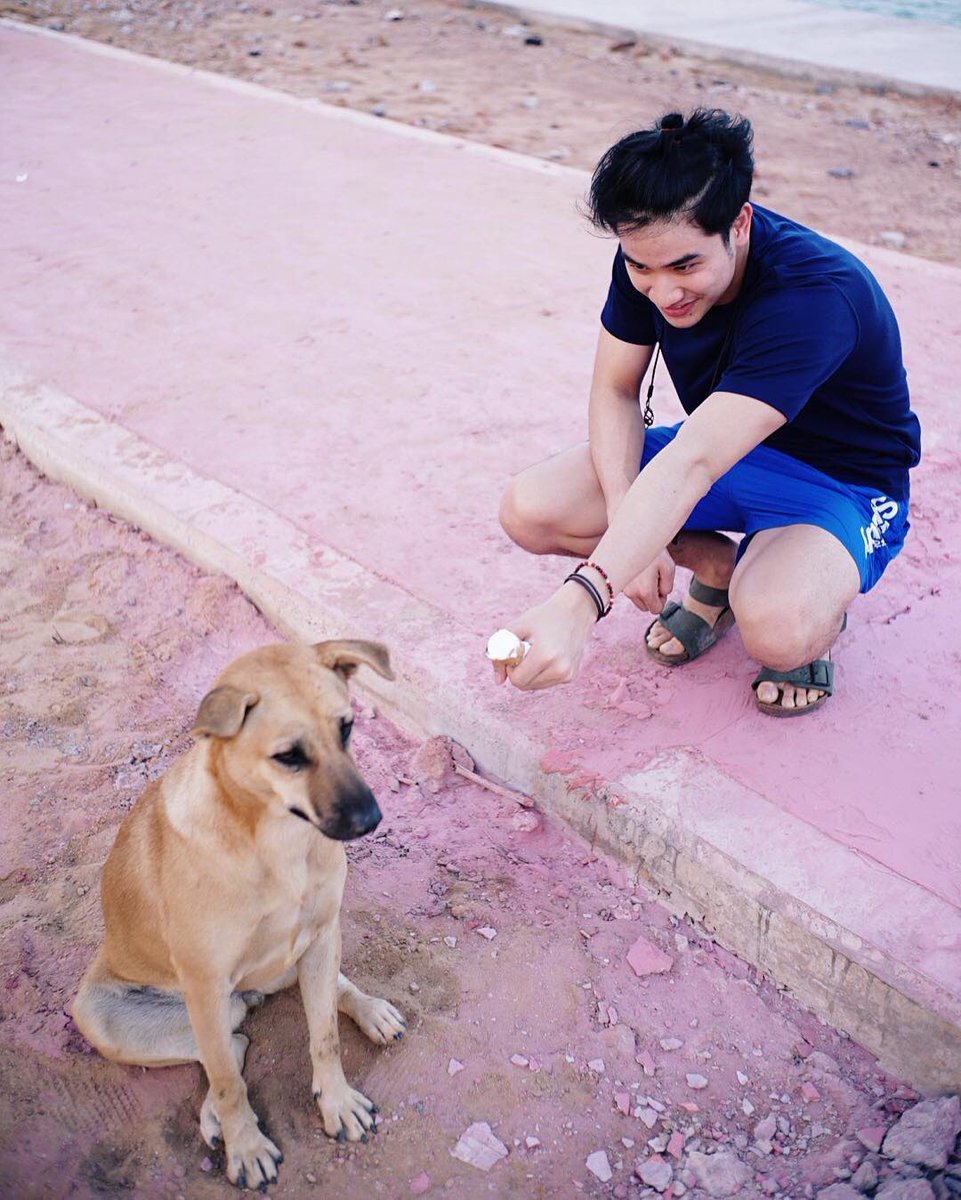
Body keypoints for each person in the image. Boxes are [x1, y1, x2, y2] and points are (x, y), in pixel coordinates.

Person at [494, 108, 920, 716]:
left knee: (777, 627)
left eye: (685, 266)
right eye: (641, 266)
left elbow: (693, 460)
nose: (664, 291)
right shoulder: (649, 257)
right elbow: (616, 390)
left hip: (840, 483)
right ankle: (717, 569)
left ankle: (807, 592)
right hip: (721, 452)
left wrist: (584, 595)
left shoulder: (815, 295)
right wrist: (628, 536)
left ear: (739, 223)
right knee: (531, 508)